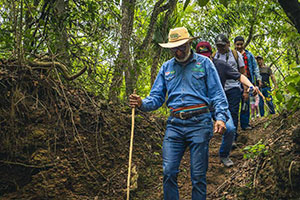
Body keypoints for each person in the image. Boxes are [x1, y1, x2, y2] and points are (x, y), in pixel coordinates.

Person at [129, 27, 228, 200]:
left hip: (199, 122)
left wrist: (220, 117)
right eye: (174, 47)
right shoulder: (166, 68)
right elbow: (156, 98)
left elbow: (217, 94)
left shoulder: (204, 64)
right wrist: (141, 103)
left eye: (182, 46)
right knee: (168, 172)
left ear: (190, 43)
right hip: (174, 125)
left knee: (198, 176)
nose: (178, 50)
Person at [196, 41, 258, 167]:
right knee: (203, 134)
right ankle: (200, 162)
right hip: (200, 107)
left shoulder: (220, 65)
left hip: (218, 104)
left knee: (230, 129)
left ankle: (224, 154)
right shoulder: (191, 67)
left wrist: (250, 86)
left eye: (207, 56)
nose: (205, 60)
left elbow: (240, 76)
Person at [213, 34, 245, 146]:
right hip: (220, 90)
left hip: (234, 88)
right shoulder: (214, 56)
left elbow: (242, 72)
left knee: (233, 112)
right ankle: (225, 135)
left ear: (228, 44)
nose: (220, 48)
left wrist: (245, 90)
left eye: (222, 46)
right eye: (218, 46)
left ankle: (233, 138)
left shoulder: (236, 55)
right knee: (222, 113)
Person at [234, 36, 262, 130]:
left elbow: (255, 67)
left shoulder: (248, 54)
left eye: (241, 44)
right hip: (235, 82)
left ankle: (245, 124)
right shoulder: (232, 55)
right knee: (235, 103)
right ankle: (234, 125)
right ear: (234, 44)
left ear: (244, 44)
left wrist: (258, 78)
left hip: (248, 81)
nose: (239, 46)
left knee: (246, 102)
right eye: (237, 44)